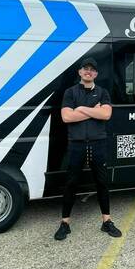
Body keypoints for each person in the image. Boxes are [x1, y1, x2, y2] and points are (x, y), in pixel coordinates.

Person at [54, 57, 122, 241]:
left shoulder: (102, 92)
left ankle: (106, 221)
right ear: (80, 72)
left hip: (98, 143)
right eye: (86, 69)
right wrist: (93, 110)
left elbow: (106, 114)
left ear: (96, 74)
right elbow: (67, 117)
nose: (88, 72)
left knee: (102, 183)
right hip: (76, 144)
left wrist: (81, 109)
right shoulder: (70, 92)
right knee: (71, 183)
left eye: (92, 69)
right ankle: (65, 223)